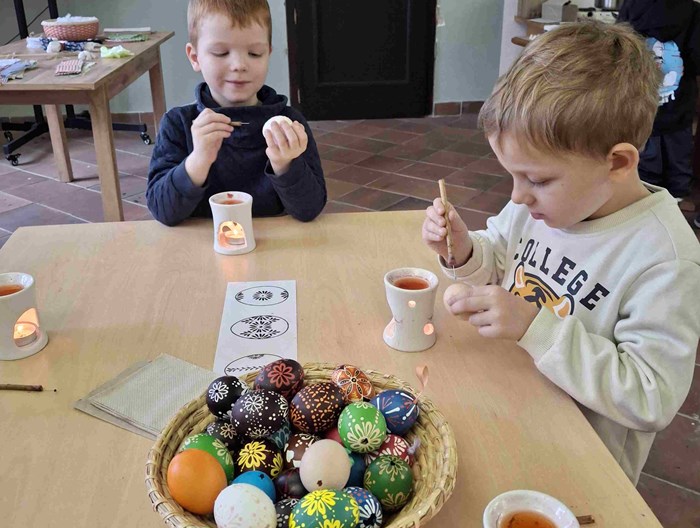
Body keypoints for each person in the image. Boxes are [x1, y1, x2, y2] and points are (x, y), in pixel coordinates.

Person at [422, 22, 700, 484]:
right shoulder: (539, 207)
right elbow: (497, 260)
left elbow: (650, 397)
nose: (517, 197)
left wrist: (536, 326)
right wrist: (464, 250)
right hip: (510, 412)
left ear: (617, 163)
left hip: (581, 468)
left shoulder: (666, 260)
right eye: (512, 175)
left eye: (537, 179)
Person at [146, 0, 326, 226]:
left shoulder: (289, 124)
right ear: (195, 57)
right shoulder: (178, 124)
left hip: (274, 242)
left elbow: (310, 209)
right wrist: (198, 161)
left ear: (268, 54)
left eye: (255, 53)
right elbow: (162, 211)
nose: (239, 65)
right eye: (221, 53)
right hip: (202, 243)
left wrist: (285, 165)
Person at [617, 0, 700, 208]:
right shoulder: (692, 9)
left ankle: (646, 195)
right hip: (679, 97)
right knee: (679, 147)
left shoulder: (632, 4)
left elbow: (617, 47)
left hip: (640, 96)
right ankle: (678, 198)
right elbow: (697, 57)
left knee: (645, 145)